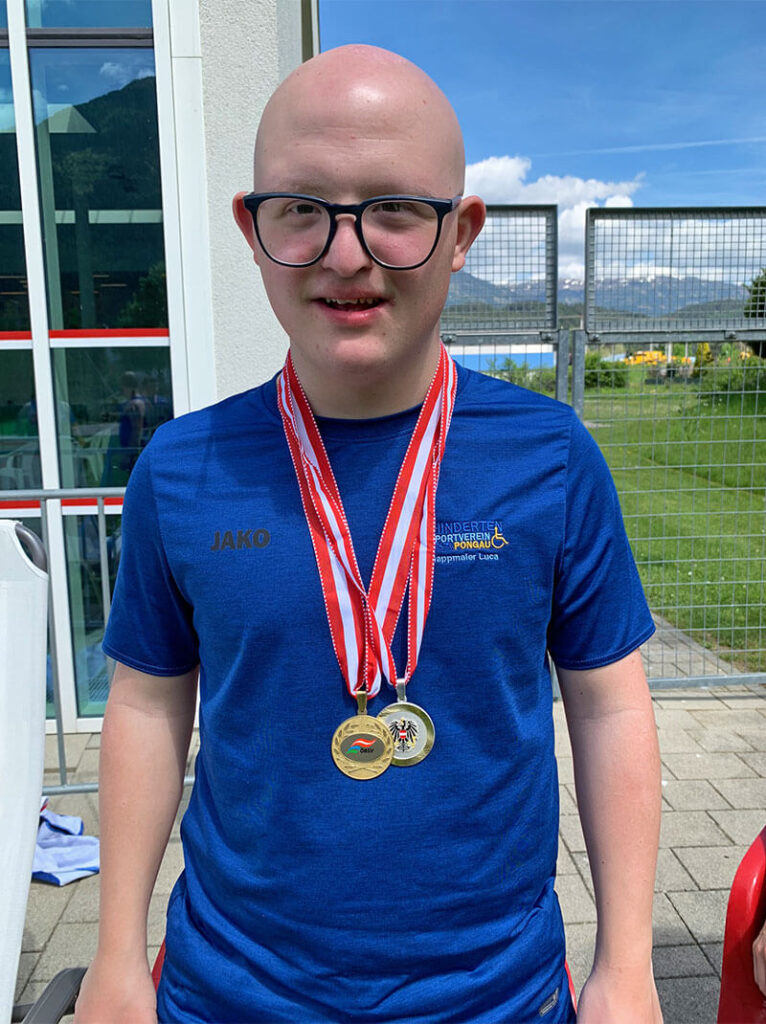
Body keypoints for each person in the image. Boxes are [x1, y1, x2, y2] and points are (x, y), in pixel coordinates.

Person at [74, 44, 662, 1024]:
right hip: (230, 992)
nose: (346, 255)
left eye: (393, 208)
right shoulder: (181, 471)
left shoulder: (551, 457)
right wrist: (114, 957)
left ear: (460, 231)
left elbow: (609, 709)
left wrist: (628, 964)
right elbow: (145, 704)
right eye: (302, 208)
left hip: (495, 995)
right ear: (252, 229)